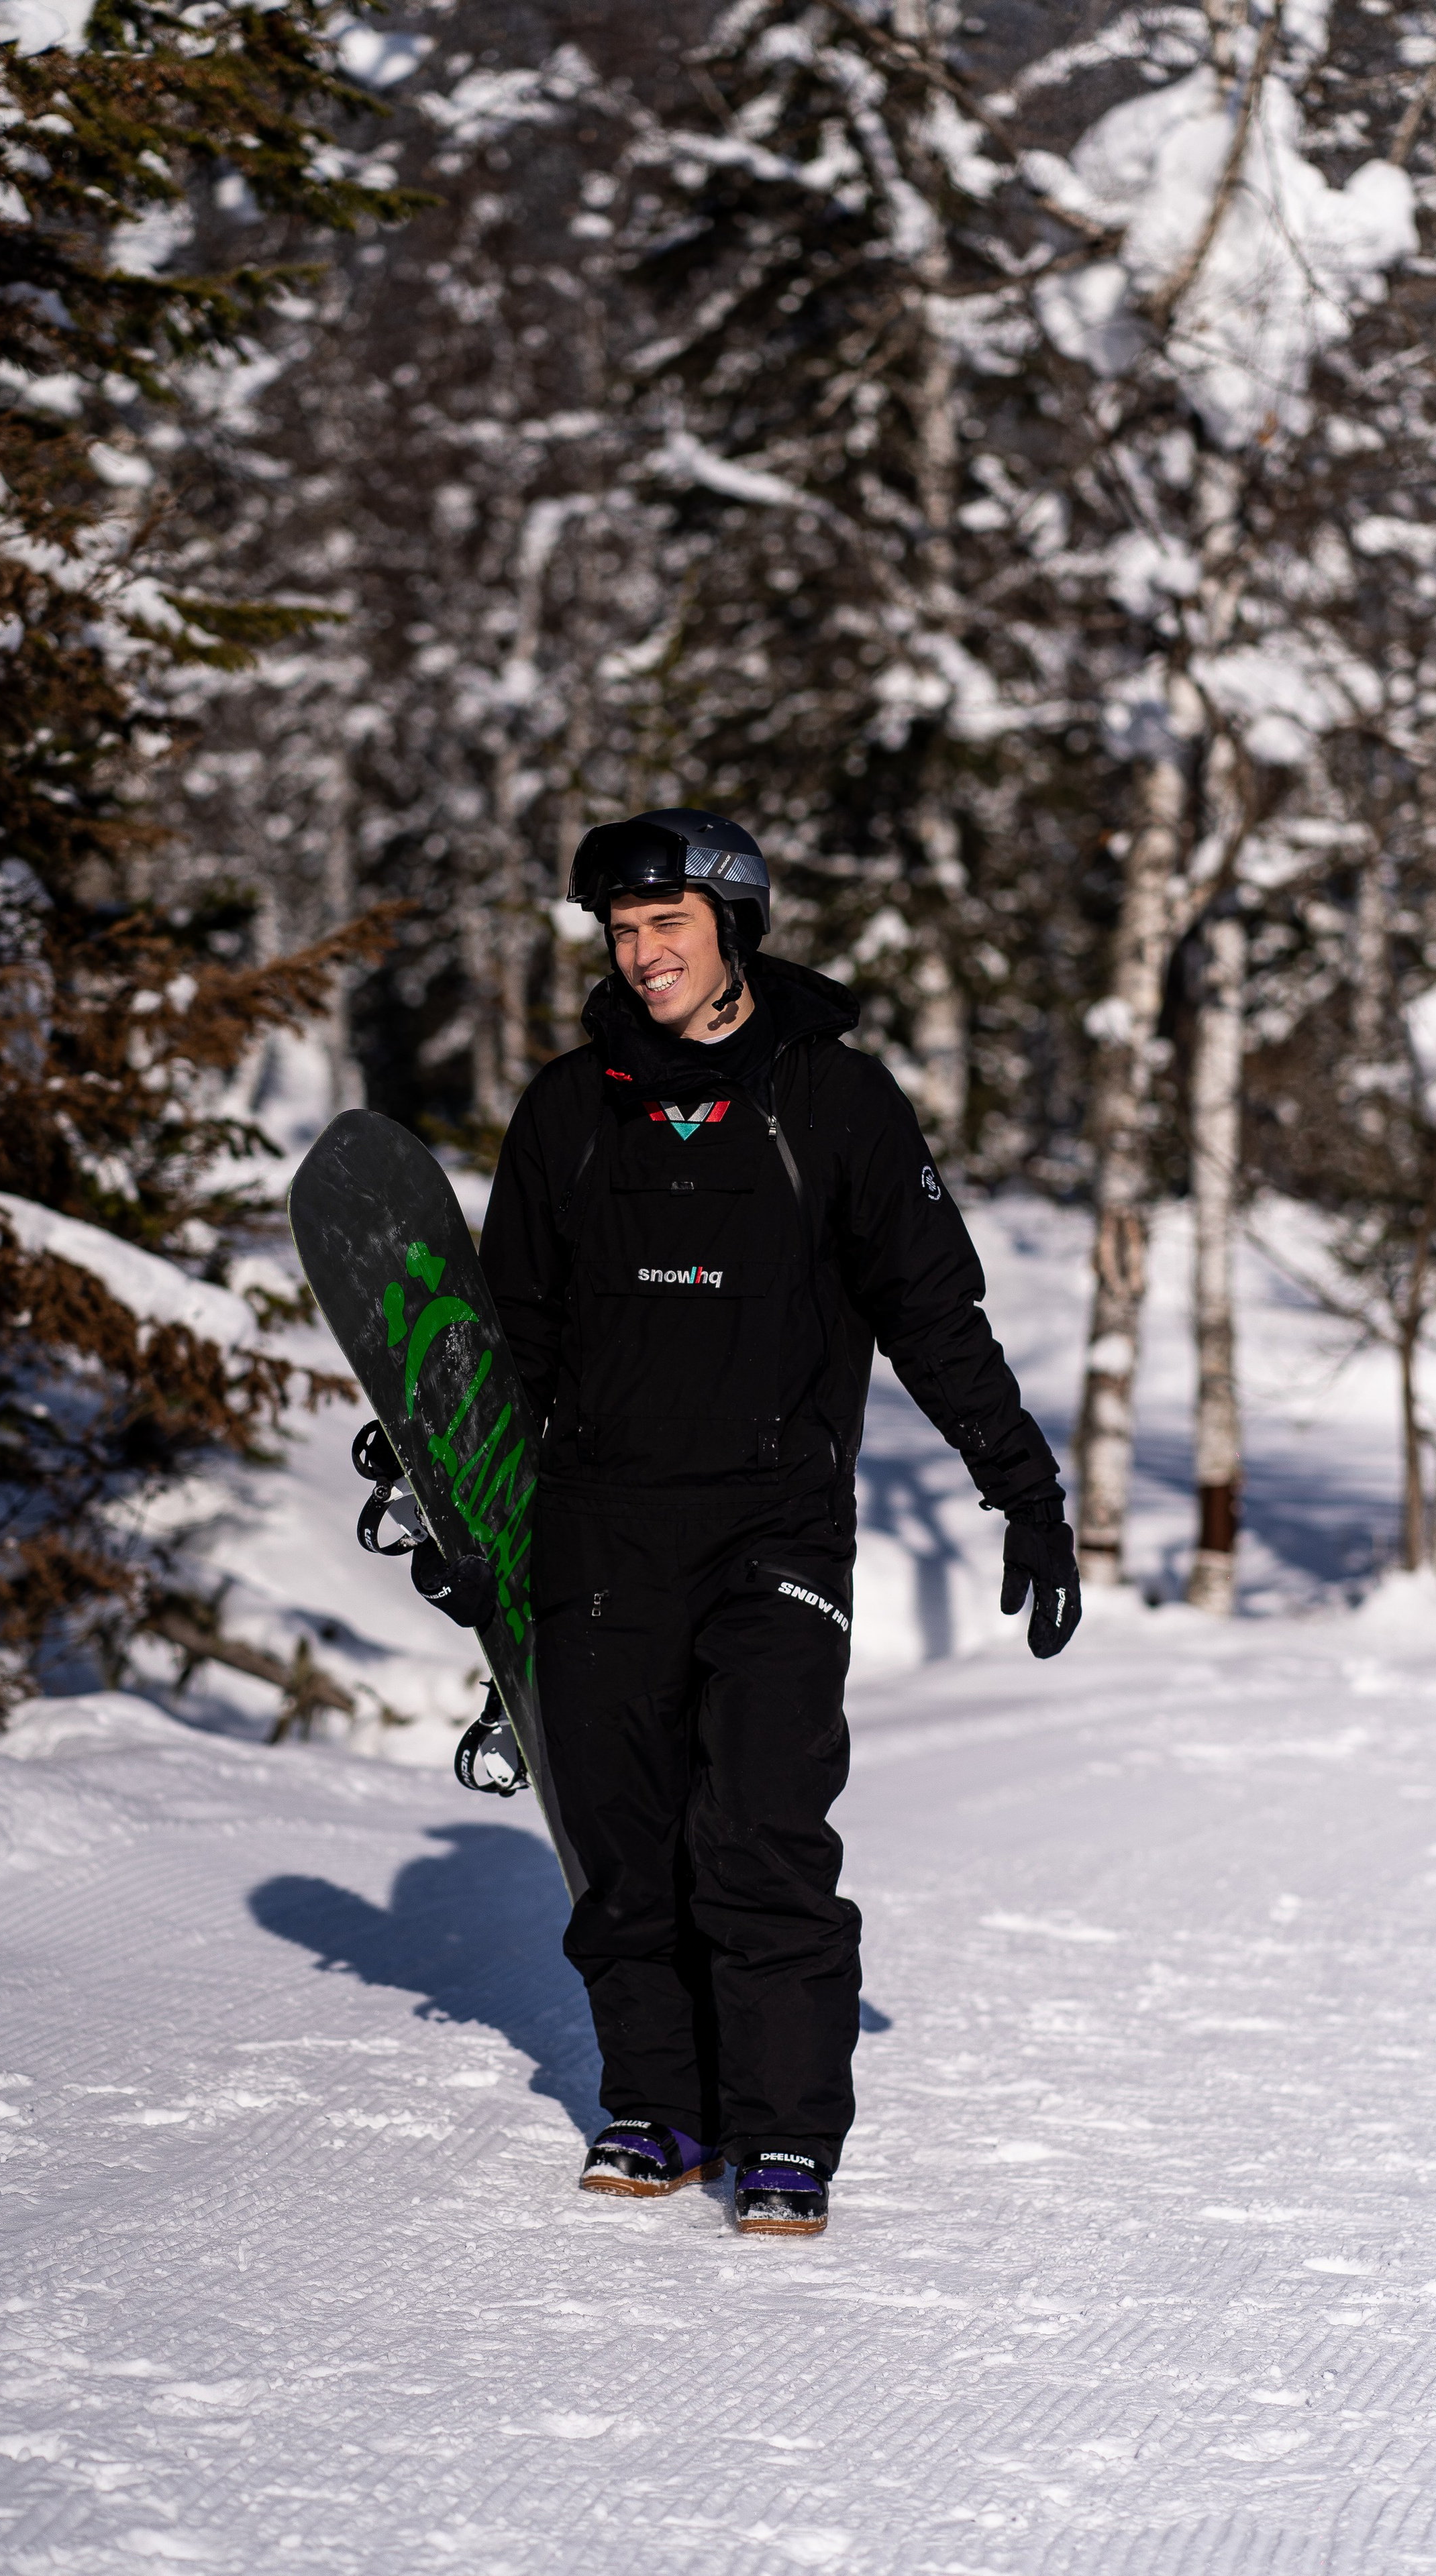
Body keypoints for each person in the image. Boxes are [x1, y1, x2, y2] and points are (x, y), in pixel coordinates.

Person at [477, 808, 1080, 2237]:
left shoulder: (835, 1101)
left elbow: (934, 1314)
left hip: (774, 1527)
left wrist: (1025, 1489)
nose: (643, 956)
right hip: (600, 1528)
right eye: (623, 933)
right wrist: (469, 1508)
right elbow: (513, 1339)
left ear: (733, 927)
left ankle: (786, 2129)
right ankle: (660, 2105)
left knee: (757, 1825)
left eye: (667, 926)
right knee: (621, 1843)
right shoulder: (567, 1111)